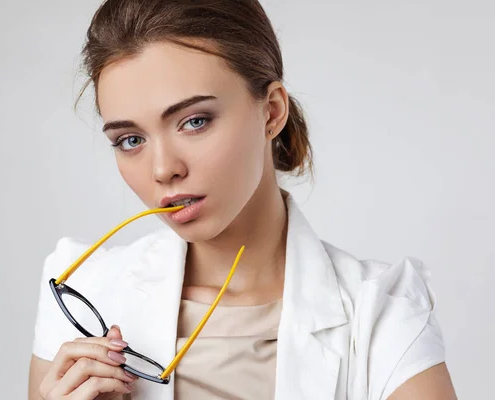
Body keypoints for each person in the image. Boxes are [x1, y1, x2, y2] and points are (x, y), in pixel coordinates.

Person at [28, 1, 457, 399]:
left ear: (271, 112)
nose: (163, 169)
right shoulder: (85, 294)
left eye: (194, 121)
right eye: (130, 139)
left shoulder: (383, 311)